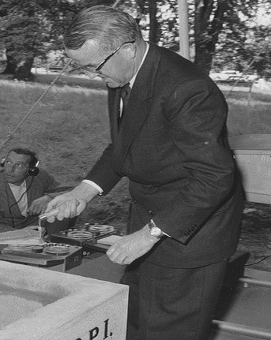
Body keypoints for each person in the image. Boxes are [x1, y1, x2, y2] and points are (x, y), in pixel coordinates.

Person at [44, 6, 244, 339]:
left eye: (93, 66)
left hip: (190, 230)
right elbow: (124, 144)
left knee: (170, 329)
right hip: (149, 221)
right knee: (138, 319)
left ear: (127, 49)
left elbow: (214, 177)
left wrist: (148, 234)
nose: (93, 75)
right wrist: (82, 192)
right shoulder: (122, 73)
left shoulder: (187, 88)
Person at [0, 148, 75, 245]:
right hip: (0, 233)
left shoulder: (40, 177)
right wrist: (22, 233)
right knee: (10, 249)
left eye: (18, 165)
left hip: (34, 228)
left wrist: (50, 197)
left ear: (31, 170)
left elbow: (70, 192)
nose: (10, 169)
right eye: (8, 162)